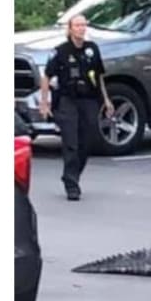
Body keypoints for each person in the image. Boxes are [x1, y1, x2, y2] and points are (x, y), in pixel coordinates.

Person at [38, 14, 114, 201]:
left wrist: (107, 100)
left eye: (83, 25)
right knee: (71, 142)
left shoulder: (92, 49)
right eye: (77, 25)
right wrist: (44, 102)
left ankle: (72, 174)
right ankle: (72, 184)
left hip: (88, 99)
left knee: (86, 143)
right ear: (70, 29)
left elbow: (99, 76)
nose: (81, 28)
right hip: (67, 100)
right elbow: (46, 77)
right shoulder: (61, 51)